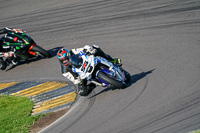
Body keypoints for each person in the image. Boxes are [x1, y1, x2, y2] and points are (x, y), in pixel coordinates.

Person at [57, 45, 121, 96]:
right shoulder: (65, 71)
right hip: (81, 74)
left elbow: (83, 49)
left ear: (69, 55)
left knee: (96, 47)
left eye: (66, 59)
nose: (65, 61)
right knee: (82, 92)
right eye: (63, 60)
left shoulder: (73, 51)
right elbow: (75, 80)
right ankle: (96, 83)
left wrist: (89, 49)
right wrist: (79, 80)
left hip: (86, 62)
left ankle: (111, 60)